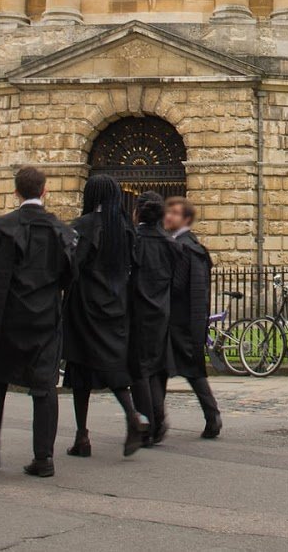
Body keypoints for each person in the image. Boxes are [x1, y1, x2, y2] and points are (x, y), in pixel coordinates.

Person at [0, 165, 78, 477]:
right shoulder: (60, 230)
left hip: (7, 315)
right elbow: (70, 274)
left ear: (16, 192)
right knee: (44, 387)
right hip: (44, 315)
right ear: (45, 191)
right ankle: (43, 458)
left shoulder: (3, 226)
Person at [63, 175, 148, 458]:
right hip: (117, 304)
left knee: (81, 369)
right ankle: (85, 436)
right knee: (108, 364)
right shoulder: (125, 228)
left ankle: (88, 432)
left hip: (86, 305)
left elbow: (72, 266)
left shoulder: (84, 226)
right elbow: (135, 266)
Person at [163, 197, 222, 440]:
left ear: (186, 219)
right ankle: (211, 416)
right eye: (168, 212)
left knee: (185, 371)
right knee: (190, 372)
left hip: (180, 319)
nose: (168, 216)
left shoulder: (184, 246)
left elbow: (181, 286)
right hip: (185, 320)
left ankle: (210, 416)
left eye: (174, 213)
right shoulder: (189, 244)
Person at [128, 192, 174, 447]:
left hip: (137, 313)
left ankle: (148, 424)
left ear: (137, 212)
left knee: (140, 371)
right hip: (162, 314)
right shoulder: (172, 243)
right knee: (157, 369)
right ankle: (157, 418)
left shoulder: (134, 241)